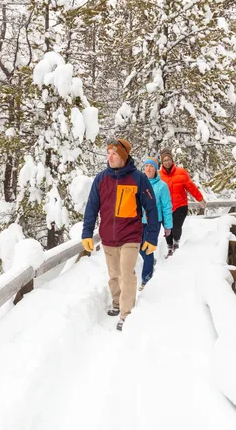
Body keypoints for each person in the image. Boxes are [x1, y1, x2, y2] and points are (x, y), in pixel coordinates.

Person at [81, 139, 160, 331]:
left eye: (114, 153)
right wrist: (87, 233)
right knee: (114, 275)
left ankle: (126, 313)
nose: (110, 156)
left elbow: (151, 209)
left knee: (126, 274)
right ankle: (116, 302)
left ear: (123, 157)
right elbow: (92, 207)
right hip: (108, 237)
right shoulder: (101, 179)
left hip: (130, 236)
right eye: (108, 153)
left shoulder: (138, 179)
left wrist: (151, 237)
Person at [158, 148, 207, 257]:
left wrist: (200, 199)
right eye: (164, 160)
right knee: (167, 228)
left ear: (172, 160)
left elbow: (191, 187)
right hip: (165, 208)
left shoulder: (181, 173)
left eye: (168, 159)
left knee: (176, 227)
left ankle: (176, 244)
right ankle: (170, 248)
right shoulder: (158, 176)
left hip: (180, 205)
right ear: (162, 162)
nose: (167, 162)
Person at [139, 157, 173, 291]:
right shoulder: (139, 183)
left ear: (156, 169)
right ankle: (150, 261)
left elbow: (166, 207)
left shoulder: (162, 186)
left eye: (151, 166)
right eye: (146, 166)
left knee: (147, 249)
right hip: (138, 221)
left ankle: (146, 279)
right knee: (139, 248)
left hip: (153, 222)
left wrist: (168, 226)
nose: (148, 168)